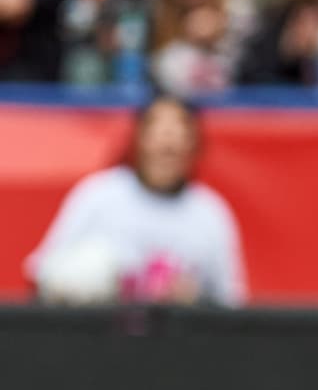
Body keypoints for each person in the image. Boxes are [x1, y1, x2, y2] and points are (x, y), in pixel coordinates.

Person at [26, 94, 246, 306]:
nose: (166, 145)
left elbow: (230, 303)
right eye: (157, 133)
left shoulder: (210, 213)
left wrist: (196, 300)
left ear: (194, 146)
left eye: (178, 136)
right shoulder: (99, 195)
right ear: (138, 139)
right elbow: (41, 272)